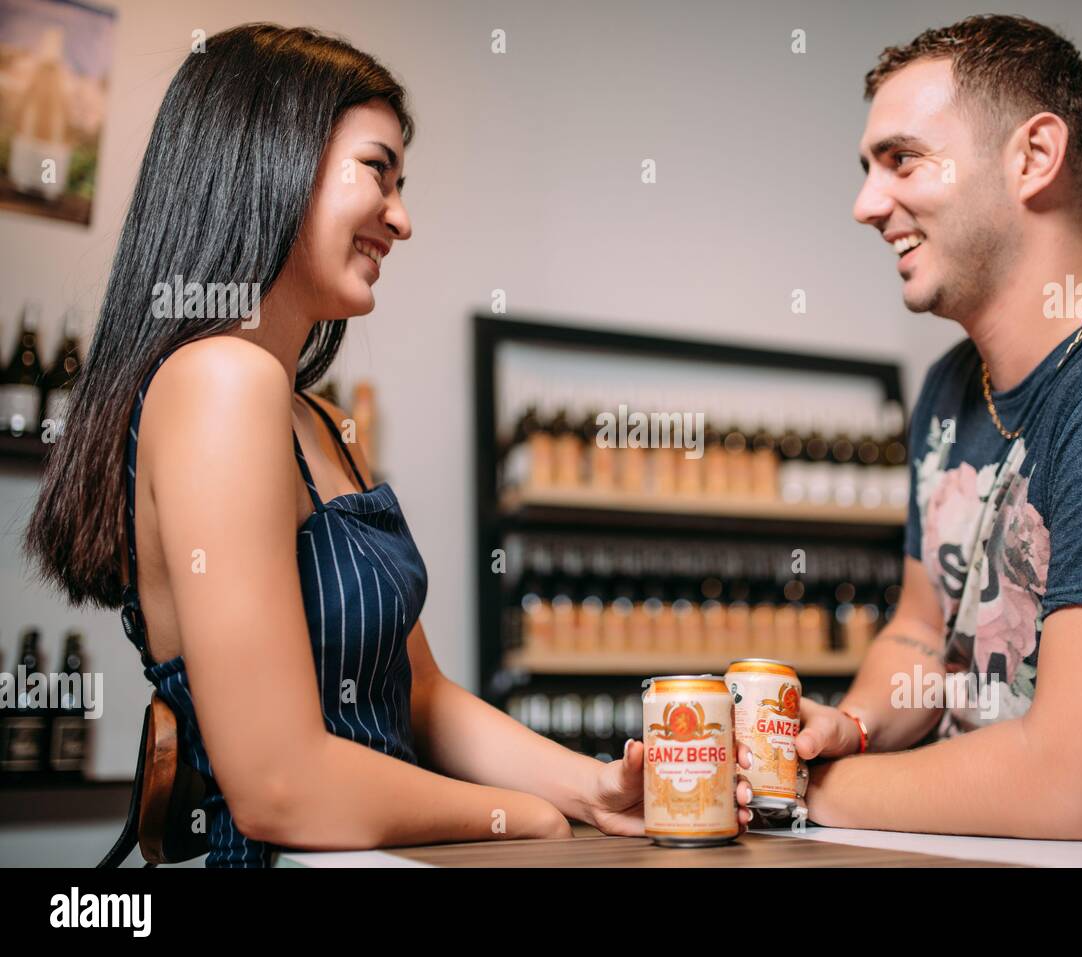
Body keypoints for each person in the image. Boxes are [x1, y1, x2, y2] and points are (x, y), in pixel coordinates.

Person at [24, 23, 751, 867]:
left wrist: (589, 788)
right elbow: (280, 786)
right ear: (272, 153)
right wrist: (524, 817)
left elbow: (423, 698)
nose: (402, 219)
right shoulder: (221, 380)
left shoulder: (319, 422)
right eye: (378, 171)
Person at [795, 14, 1082, 839]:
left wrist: (805, 794)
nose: (867, 204)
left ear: (1034, 157)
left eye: (900, 159)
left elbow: (1078, 786)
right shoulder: (949, 383)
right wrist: (853, 726)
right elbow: (918, 630)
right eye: (867, 168)